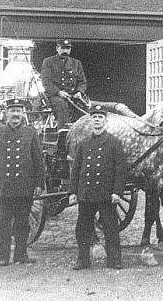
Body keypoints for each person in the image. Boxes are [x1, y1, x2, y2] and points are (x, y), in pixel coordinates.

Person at [0, 98, 45, 266]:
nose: (16, 114)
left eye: (19, 111)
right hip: (3, 187)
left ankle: (20, 255)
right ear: (6, 114)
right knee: (2, 223)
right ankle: (3, 256)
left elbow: (38, 160)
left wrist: (39, 183)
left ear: (23, 114)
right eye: (12, 111)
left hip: (24, 186)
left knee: (22, 223)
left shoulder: (30, 133)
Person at [69, 104, 127, 270]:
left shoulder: (114, 143)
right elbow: (76, 169)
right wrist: (72, 192)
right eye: (94, 117)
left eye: (100, 117)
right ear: (90, 120)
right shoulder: (83, 144)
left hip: (106, 194)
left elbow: (120, 170)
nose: (97, 120)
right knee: (83, 228)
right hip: (86, 194)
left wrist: (117, 192)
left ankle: (115, 259)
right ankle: (83, 259)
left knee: (110, 228)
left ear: (105, 121)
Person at [41, 39, 87, 129]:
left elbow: (82, 81)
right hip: (55, 96)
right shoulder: (48, 62)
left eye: (68, 48)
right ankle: (64, 132)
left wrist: (79, 92)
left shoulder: (76, 63)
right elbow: (46, 81)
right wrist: (58, 92)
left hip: (73, 95)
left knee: (85, 105)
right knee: (61, 105)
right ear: (57, 48)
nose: (65, 51)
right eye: (63, 48)